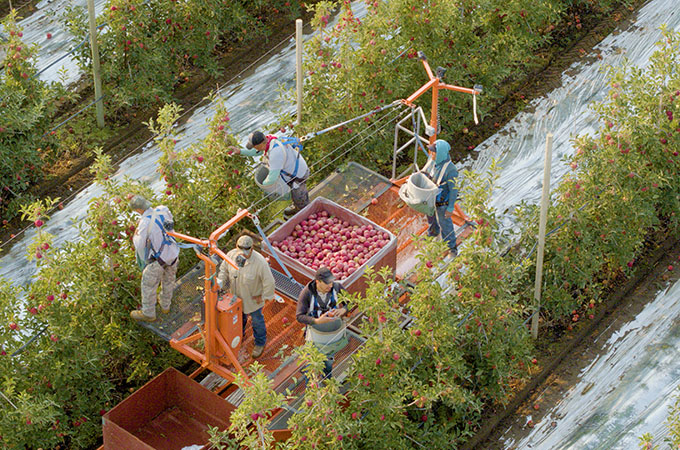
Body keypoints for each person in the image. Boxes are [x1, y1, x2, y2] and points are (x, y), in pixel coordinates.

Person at [216, 235, 275, 358]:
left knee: (257, 321)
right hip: (236, 299)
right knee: (238, 320)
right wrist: (220, 282)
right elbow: (223, 270)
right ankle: (239, 336)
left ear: (252, 248)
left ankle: (260, 342)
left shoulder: (260, 263)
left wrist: (264, 296)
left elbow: (269, 282)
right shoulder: (231, 255)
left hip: (252, 300)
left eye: (247, 250)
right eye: (241, 249)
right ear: (236, 247)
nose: (244, 253)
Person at [229, 130, 310, 217]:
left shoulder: (275, 154)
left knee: (301, 199)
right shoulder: (270, 139)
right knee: (295, 195)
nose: (254, 148)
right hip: (295, 167)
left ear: (260, 145)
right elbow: (257, 152)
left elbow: (272, 178)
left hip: (298, 175)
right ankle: (297, 207)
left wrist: (263, 187)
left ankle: (305, 213)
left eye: (254, 146)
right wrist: (240, 151)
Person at [129, 195, 180, 322]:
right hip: (173, 254)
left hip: (159, 260)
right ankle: (165, 306)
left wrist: (135, 236)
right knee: (168, 281)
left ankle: (148, 313)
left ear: (138, 210)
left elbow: (140, 245)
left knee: (148, 285)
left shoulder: (144, 223)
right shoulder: (163, 209)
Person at [296, 267, 348, 379]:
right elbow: (299, 316)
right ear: (318, 282)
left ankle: (327, 378)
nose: (330, 286)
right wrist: (317, 321)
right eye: (327, 284)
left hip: (331, 336)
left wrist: (344, 309)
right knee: (311, 364)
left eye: (331, 282)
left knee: (328, 362)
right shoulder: (307, 293)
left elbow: (349, 301)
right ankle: (311, 386)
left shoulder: (337, 287)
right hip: (316, 335)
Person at [424, 139, 459, 258]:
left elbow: (454, 191)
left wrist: (450, 207)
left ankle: (452, 248)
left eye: (434, 152)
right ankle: (433, 233)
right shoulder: (432, 161)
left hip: (442, 201)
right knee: (430, 216)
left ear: (441, 154)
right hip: (430, 197)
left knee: (445, 224)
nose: (431, 154)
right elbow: (425, 173)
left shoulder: (451, 170)